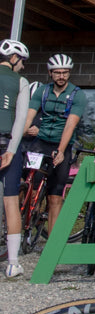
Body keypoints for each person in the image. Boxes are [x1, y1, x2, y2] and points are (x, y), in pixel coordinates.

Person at [24, 53, 86, 234]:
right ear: (50, 73)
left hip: (61, 145)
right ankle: (25, 221)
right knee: (29, 185)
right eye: (57, 72)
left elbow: (71, 124)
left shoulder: (77, 95)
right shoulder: (41, 91)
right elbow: (28, 117)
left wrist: (60, 150)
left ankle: (52, 244)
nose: (61, 76)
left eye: (65, 72)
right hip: (40, 143)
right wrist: (17, 137)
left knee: (55, 196)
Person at [0, 40, 31, 276]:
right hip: (6, 144)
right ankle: (12, 263)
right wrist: (11, 150)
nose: (22, 66)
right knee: (11, 201)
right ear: (13, 58)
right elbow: (20, 121)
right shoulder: (20, 82)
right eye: (22, 61)